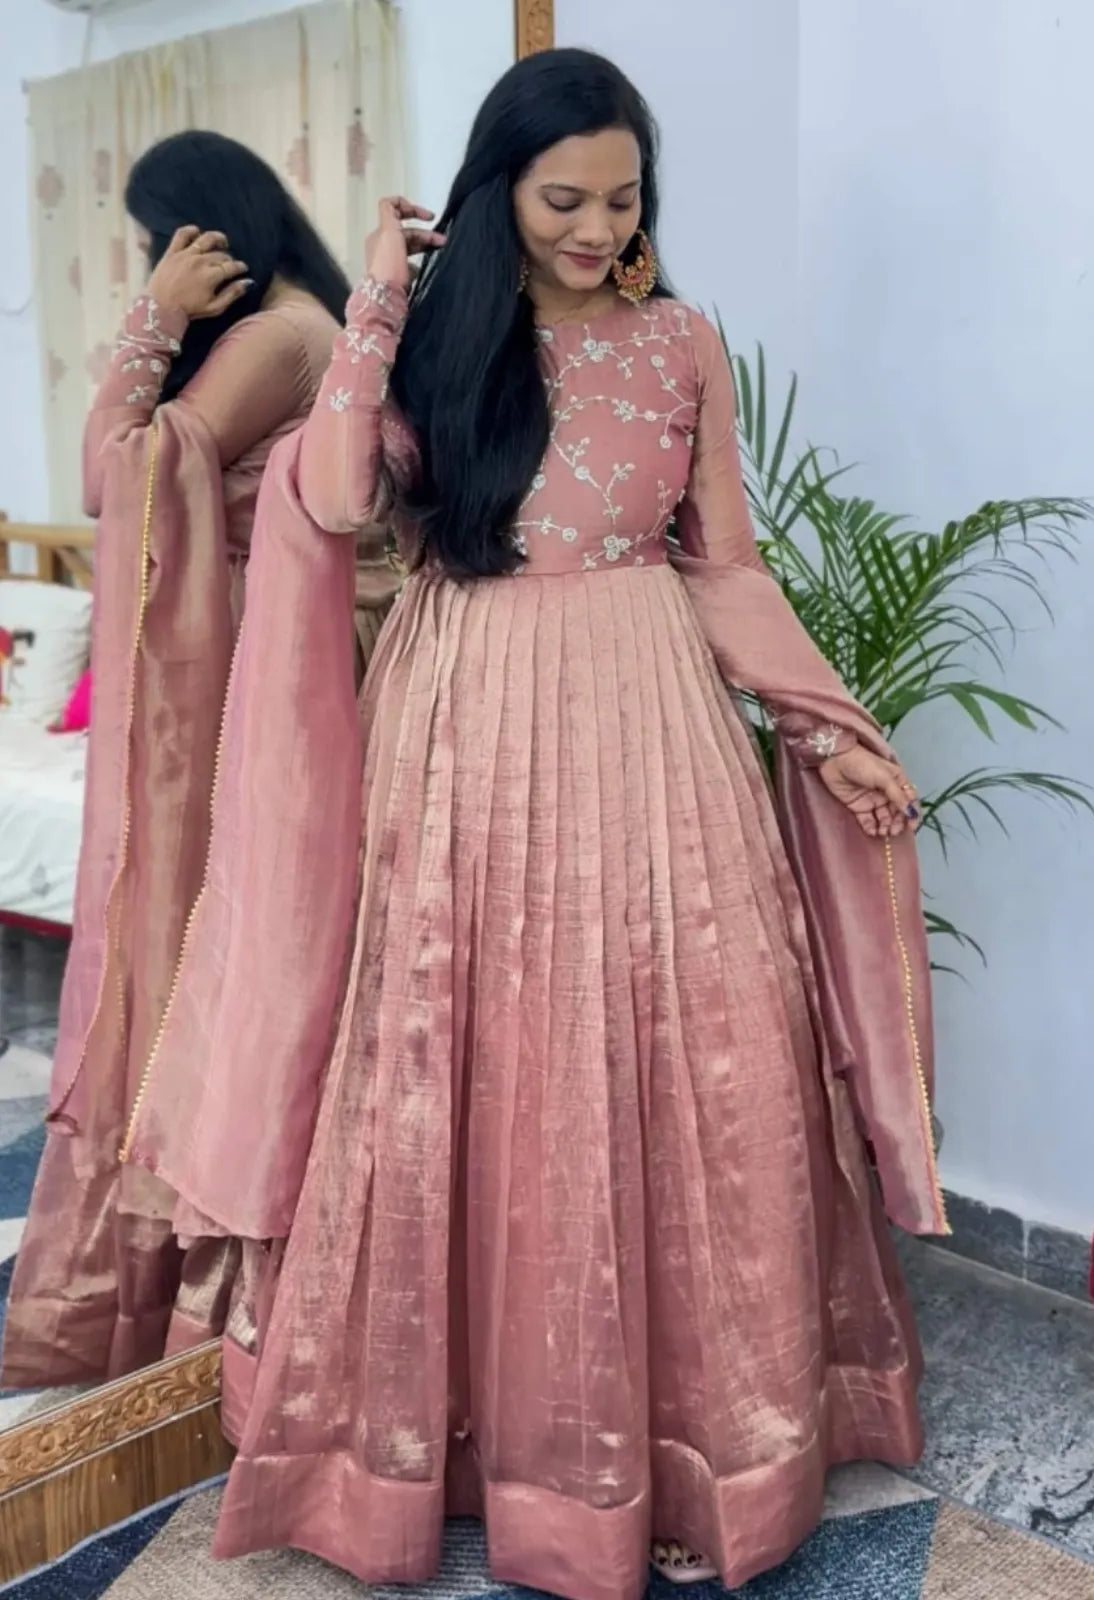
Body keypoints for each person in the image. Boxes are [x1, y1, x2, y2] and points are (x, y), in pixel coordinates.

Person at [122, 52, 946, 1600]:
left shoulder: (682, 343)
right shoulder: (437, 340)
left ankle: (703, 1445)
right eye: (564, 197)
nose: (595, 226)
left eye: (623, 199)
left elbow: (727, 566)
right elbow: (336, 499)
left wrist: (826, 728)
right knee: (467, 1063)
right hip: (468, 735)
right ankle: (466, 1446)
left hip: (658, 728)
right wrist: (379, 303)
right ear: (499, 192)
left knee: (704, 1050)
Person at [1, 132, 400, 1390]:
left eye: (156, 242)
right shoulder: (314, 324)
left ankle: (220, 1284)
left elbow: (118, 476)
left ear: (205, 233)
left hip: (266, 678)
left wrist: (152, 318)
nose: (151, 265)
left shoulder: (278, 338)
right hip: (289, 661)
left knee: (222, 967)